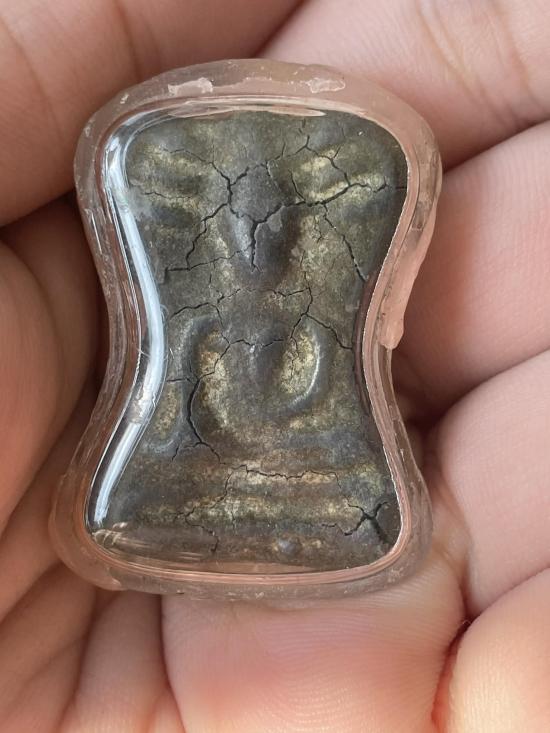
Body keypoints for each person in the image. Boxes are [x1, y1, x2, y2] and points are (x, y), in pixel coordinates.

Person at [0, 1, 549, 730]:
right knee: (148, 476)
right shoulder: (197, 314)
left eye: (281, 224)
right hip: (184, 484)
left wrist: (298, 425)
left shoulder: (311, 315)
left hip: (311, 468)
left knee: (354, 473)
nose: (259, 238)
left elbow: (321, 403)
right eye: (240, 223)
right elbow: (173, 415)